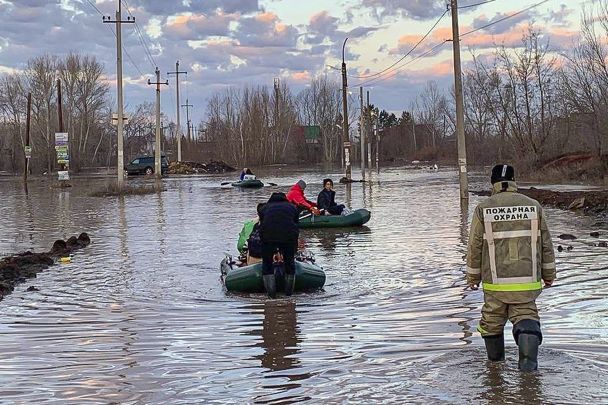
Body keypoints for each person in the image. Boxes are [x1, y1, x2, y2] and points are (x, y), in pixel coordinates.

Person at [466, 164, 556, 372]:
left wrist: (472, 277)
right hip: (527, 282)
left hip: (495, 285)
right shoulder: (533, 206)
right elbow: (546, 245)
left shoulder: (483, 208)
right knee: (527, 319)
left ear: (493, 183)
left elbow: (474, 246)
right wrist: (549, 275)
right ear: (514, 181)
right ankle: (528, 371)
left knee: (491, 323)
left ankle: (495, 370)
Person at [259, 192, 300, 298]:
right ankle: (288, 295)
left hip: (268, 237)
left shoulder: (264, 208)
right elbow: (296, 226)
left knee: (267, 264)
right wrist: (294, 247)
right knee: (290, 263)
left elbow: (262, 225)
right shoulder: (293, 208)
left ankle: (271, 295)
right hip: (288, 237)